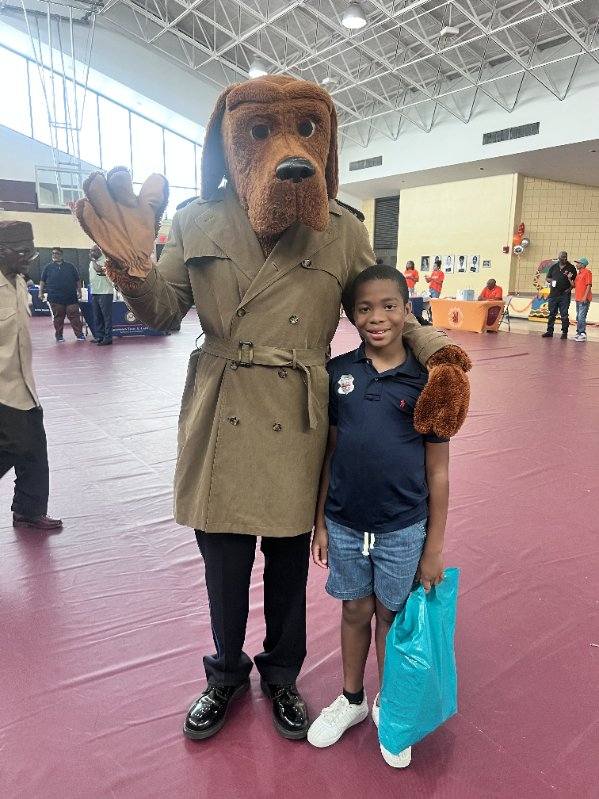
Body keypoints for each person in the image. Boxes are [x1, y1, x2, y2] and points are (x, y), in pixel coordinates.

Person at [74, 75, 471, 743]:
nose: (286, 149)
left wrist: (440, 355)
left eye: (306, 130)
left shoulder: (341, 228)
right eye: (259, 131)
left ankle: (281, 674)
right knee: (223, 561)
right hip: (222, 407)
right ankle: (224, 671)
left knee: (288, 565)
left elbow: (383, 305)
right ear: (229, 144)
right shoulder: (196, 218)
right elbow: (166, 312)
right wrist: (131, 270)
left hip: (298, 411)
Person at [308, 265, 450, 767]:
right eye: (364, 308)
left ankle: (390, 706)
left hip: (403, 527)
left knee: (391, 616)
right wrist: (322, 520)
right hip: (345, 523)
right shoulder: (338, 373)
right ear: (351, 315)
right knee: (354, 610)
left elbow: (439, 472)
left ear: (406, 310)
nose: (377, 317)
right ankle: (351, 699)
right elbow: (331, 449)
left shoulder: (429, 381)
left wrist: (432, 548)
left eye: (389, 305)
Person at [0, 221, 62, 530]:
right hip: (1, 388)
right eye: (23, 252)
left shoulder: (19, 282)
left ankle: (28, 508)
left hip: (23, 383)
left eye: (31, 252)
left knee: (35, 446)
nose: (28, 258)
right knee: (16, 444)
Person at [39, 247, 85, 342]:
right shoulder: (48, 267)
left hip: (71, 296)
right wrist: (40, 292)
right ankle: (59, 336)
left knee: (74, 316)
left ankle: (80, 335)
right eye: (53, 253)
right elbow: (42, 281)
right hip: (55, 298)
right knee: (58, 318)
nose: (54, 255)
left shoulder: (70, 266)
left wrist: (79, 292)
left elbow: (77, 280)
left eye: (56, 253)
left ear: (61, 255)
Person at [542, 251, 576, 339]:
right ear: (558, 257)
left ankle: (564, 332)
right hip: (553, 294)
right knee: (552, 313)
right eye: (562, 257)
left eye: (565, 257)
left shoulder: (571, 268)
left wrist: (569, 289)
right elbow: (547, 278)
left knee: (564, 314)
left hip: (564, 295)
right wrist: (552, 280)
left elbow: (574, 282)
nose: (564, 259)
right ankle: (549, 331)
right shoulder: (553, 267)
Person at [89, 245, 114, 345]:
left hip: (105, 292)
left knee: (106, 317)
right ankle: (100, 336)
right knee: (97, 316)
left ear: (100, 250)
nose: (91, 252)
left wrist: (93, 260)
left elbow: (98, 269)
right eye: (90, 251)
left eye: (94, 250)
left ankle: (108, 338)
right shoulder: (92, 262)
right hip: (95, 292)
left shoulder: (106, 260)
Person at [573, 258, 592, 342]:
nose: (576, 264)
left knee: (581, 317)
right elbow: (573, 285)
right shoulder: (578, 274)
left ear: (582, 264)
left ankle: (582, 333)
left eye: (578, 263)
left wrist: (584, 297)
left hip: (584, 299)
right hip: (578, 298)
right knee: (578, 316)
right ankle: (578, 333)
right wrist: (569, 278)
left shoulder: (587, 272)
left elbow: (588, 285)